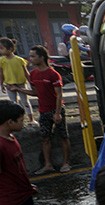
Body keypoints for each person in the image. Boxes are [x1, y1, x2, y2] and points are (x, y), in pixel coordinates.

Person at [15, 45, 71, 174]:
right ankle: (48, 164)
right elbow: (35, 92)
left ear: (42, 57)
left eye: (33, 56)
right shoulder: (33, 74)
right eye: (30, 56)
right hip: (43, 110)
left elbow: (59, 95)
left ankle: (66, 162)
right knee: (45, 138)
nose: (31, 59)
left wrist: (57, 113)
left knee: (63, 136)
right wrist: (19, 89)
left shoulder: (53, 74)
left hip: (55, 109)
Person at [0, 38, 34, 124]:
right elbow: (1, 73)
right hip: (9, 85)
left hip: (21, 84)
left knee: (25, 101)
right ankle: (17, 120)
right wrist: (1, 84)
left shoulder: (19, 60)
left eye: (1, 48)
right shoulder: (1, 60)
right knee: (13, 103)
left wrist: (31, 83)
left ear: (10, 49)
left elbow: (26, 73)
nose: (0, 50)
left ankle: (31, 119)